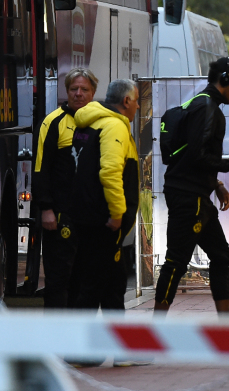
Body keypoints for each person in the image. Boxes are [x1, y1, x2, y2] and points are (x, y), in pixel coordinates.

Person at [153, 58, 229, 314]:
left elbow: (193, 154)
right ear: (227, 78)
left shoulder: (200, 104)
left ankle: (224, 326)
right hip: (189, 197)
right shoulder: (207, 108)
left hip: (196, 194)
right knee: (176, 261)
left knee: (220, 255)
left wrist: (216, 183)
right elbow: (199, 155)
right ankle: (153, 331)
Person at [68, 78, 139, 312]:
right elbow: (110, 173)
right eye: (136, 101)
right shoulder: (114, 126)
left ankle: (114, 343)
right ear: (126, 100)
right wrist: (117, 213)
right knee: (95, 288)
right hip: (103, 221)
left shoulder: (89, 122)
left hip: (85, 215)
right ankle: (79, 345)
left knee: (111, 285)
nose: (137, 107)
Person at [34, 68, 98, 308]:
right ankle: (55, 337)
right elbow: (41, 169)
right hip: (60, 216)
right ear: (67, 92)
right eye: (74, 89)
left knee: (84, 280)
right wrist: (46, 208)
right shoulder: (53, 122)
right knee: (58, 280)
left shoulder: (102, 123)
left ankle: (77, 337)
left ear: (93, 93)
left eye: (84, 89)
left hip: (90, 218)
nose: (79, 94)